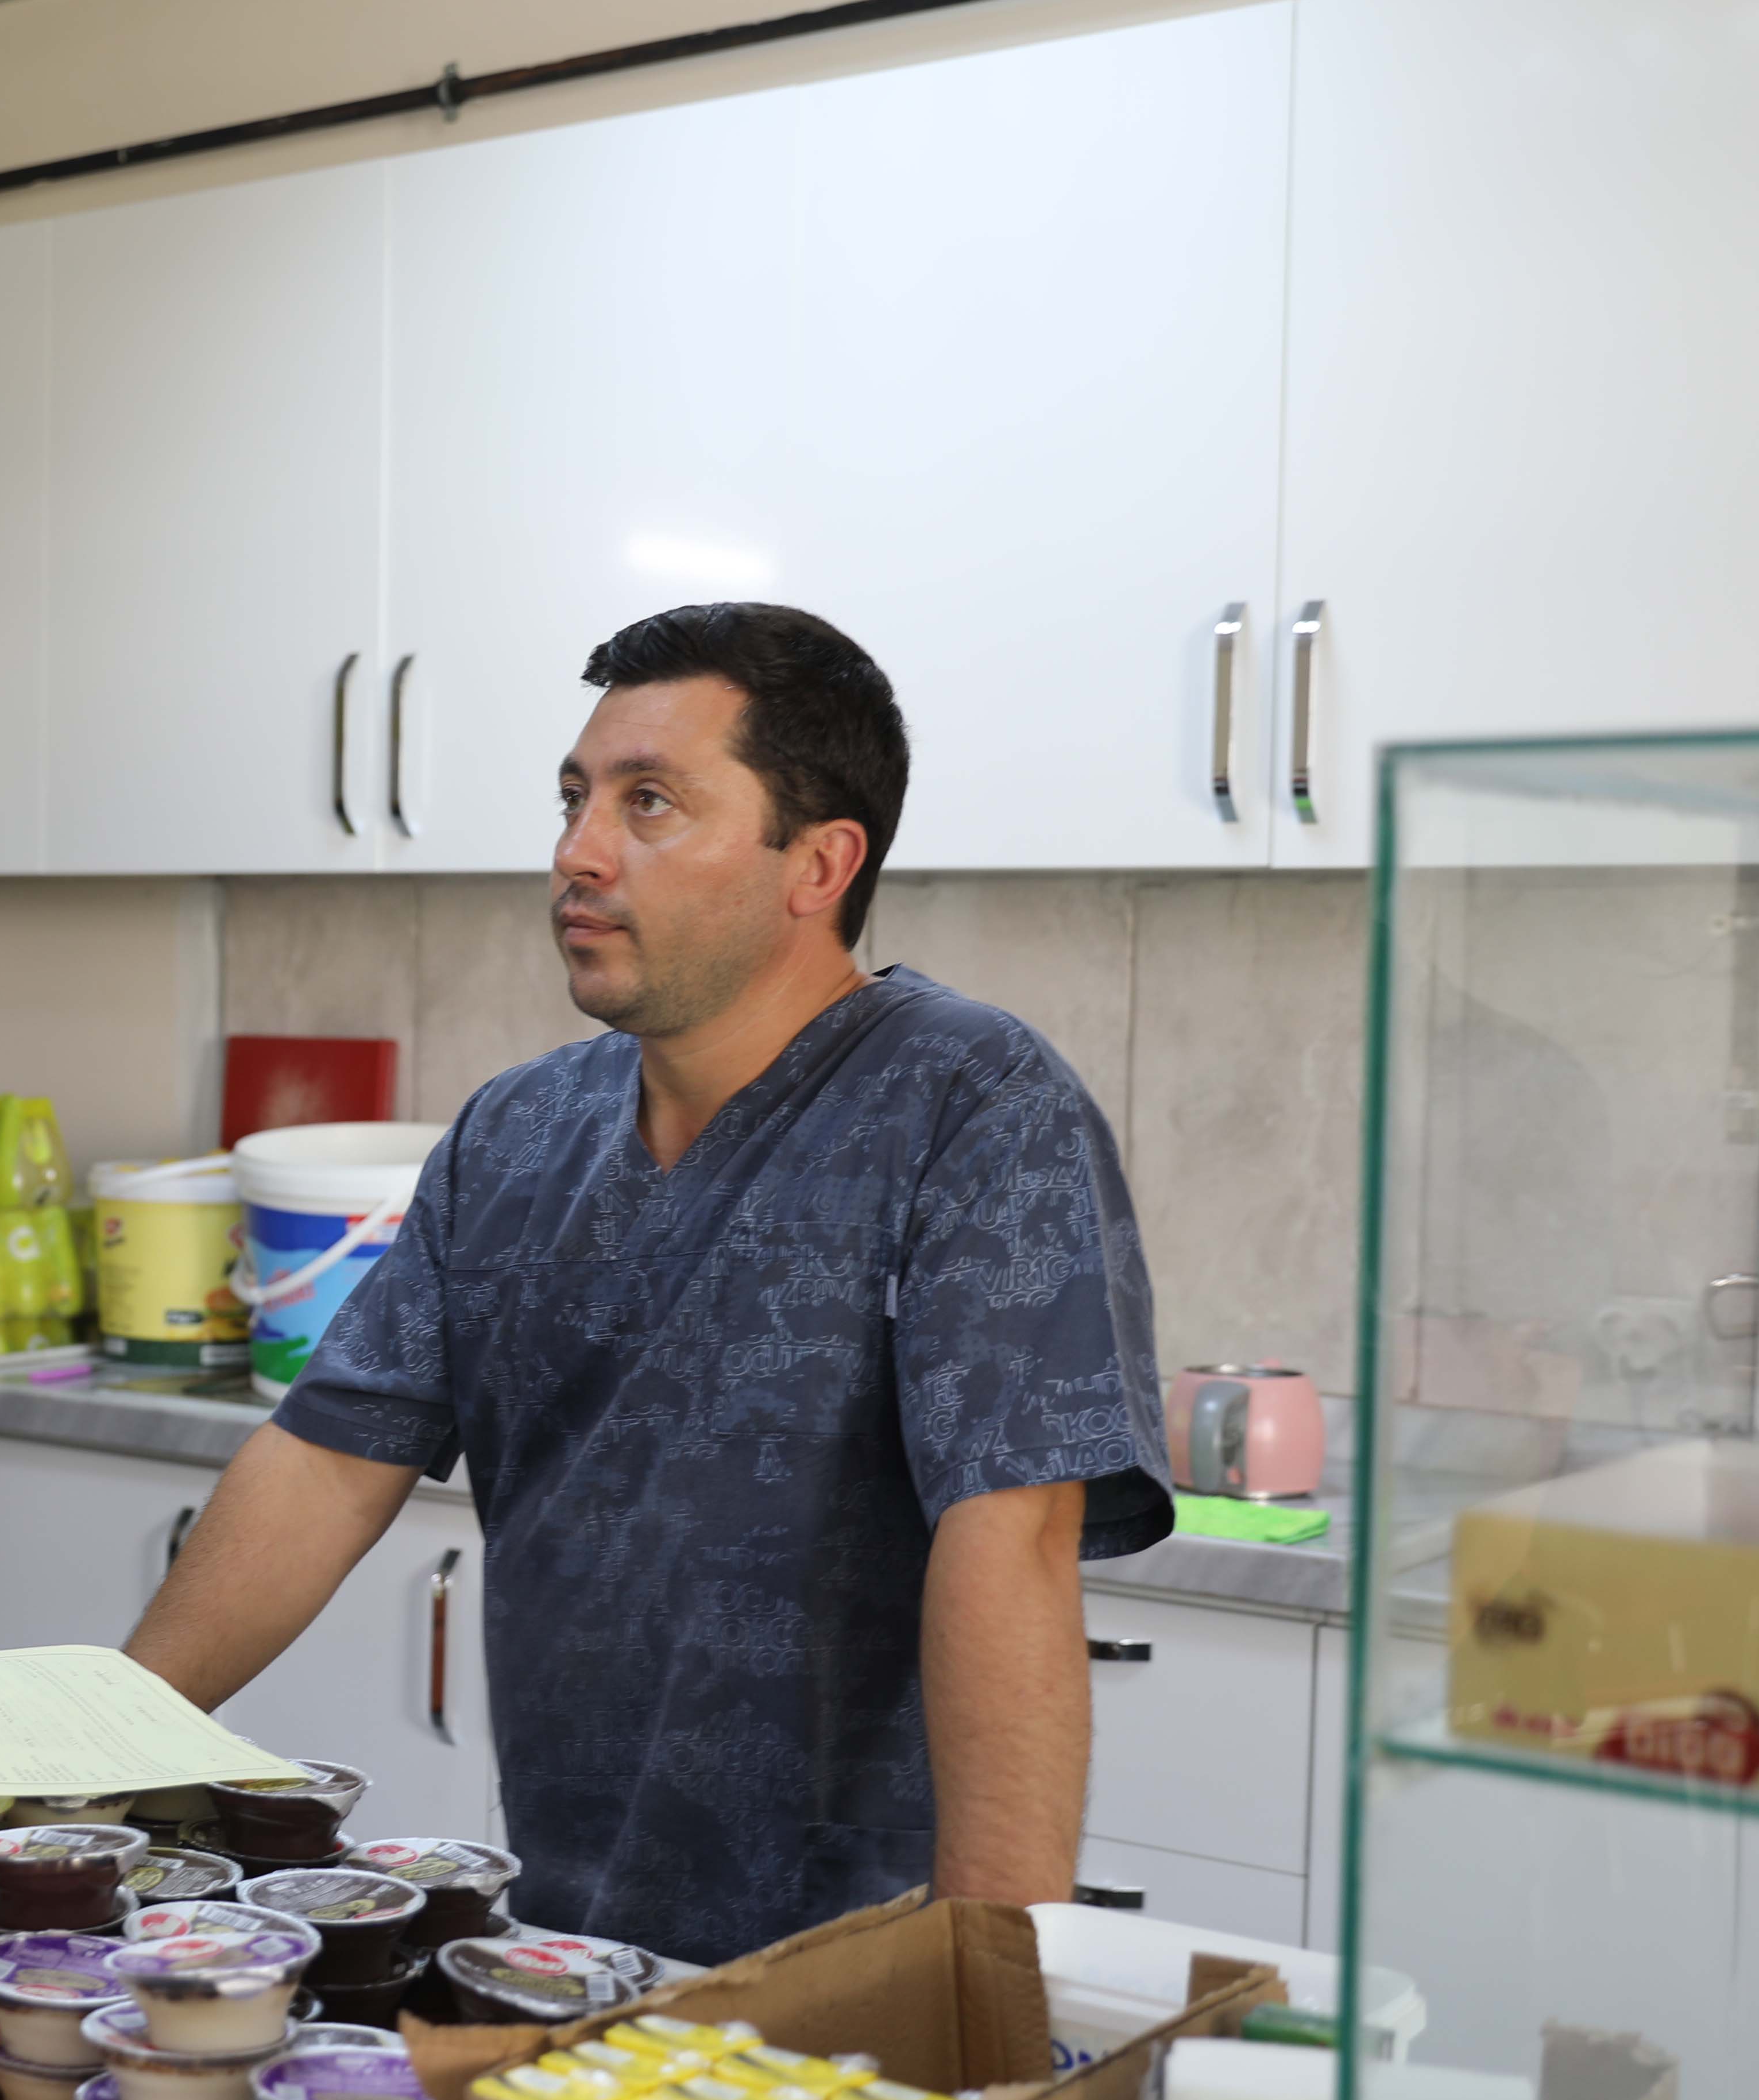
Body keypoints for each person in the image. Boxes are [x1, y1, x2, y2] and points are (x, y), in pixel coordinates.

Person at [125, 602, 1170, 1967]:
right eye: (574, 797)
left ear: (818, 863)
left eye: (651, 802)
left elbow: (1013, 1537)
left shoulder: (971, 1103)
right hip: (566, 1936)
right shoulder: (516, 1132)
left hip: (860, 1959)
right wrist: (93, 1749)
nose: (579, 850)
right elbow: (325, 1462)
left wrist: (986, 1981)